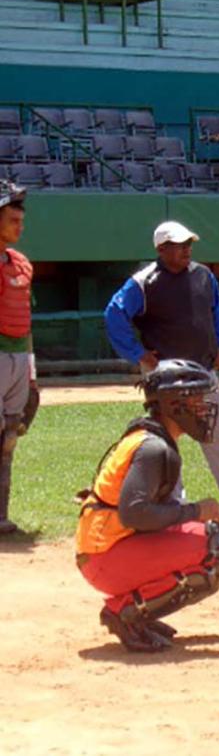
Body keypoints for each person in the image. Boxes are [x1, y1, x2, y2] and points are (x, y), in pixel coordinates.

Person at [75, 359, 219, 652]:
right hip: (105, 557)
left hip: (110, 550)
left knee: (218, 536)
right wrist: (195, 512)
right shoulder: (153, 448)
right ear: (173, 404)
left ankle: (140, 611)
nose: (203, 407)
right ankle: (125, 612)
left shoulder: (155, 439)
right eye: (195, 399)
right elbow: (135, 513)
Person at [105, 221, 219, 513]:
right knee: (167, 438)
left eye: (189, 243)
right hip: (165, 377)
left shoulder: (203, 275)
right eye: (179, 245)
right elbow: (114, 314)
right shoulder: (143, 282)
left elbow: (216, 309)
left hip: (202, 372)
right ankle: (175, 503)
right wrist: (138, 353)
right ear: (161, 249)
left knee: (217, 432)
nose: (187, 249)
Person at [0, 179, 36, 535]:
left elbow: (26, 320)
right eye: (13, 220)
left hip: (16, 359)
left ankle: (1, 515)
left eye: (21, 222)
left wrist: (32, 372)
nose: (19, 228)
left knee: (9, 436)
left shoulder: (22, 264)